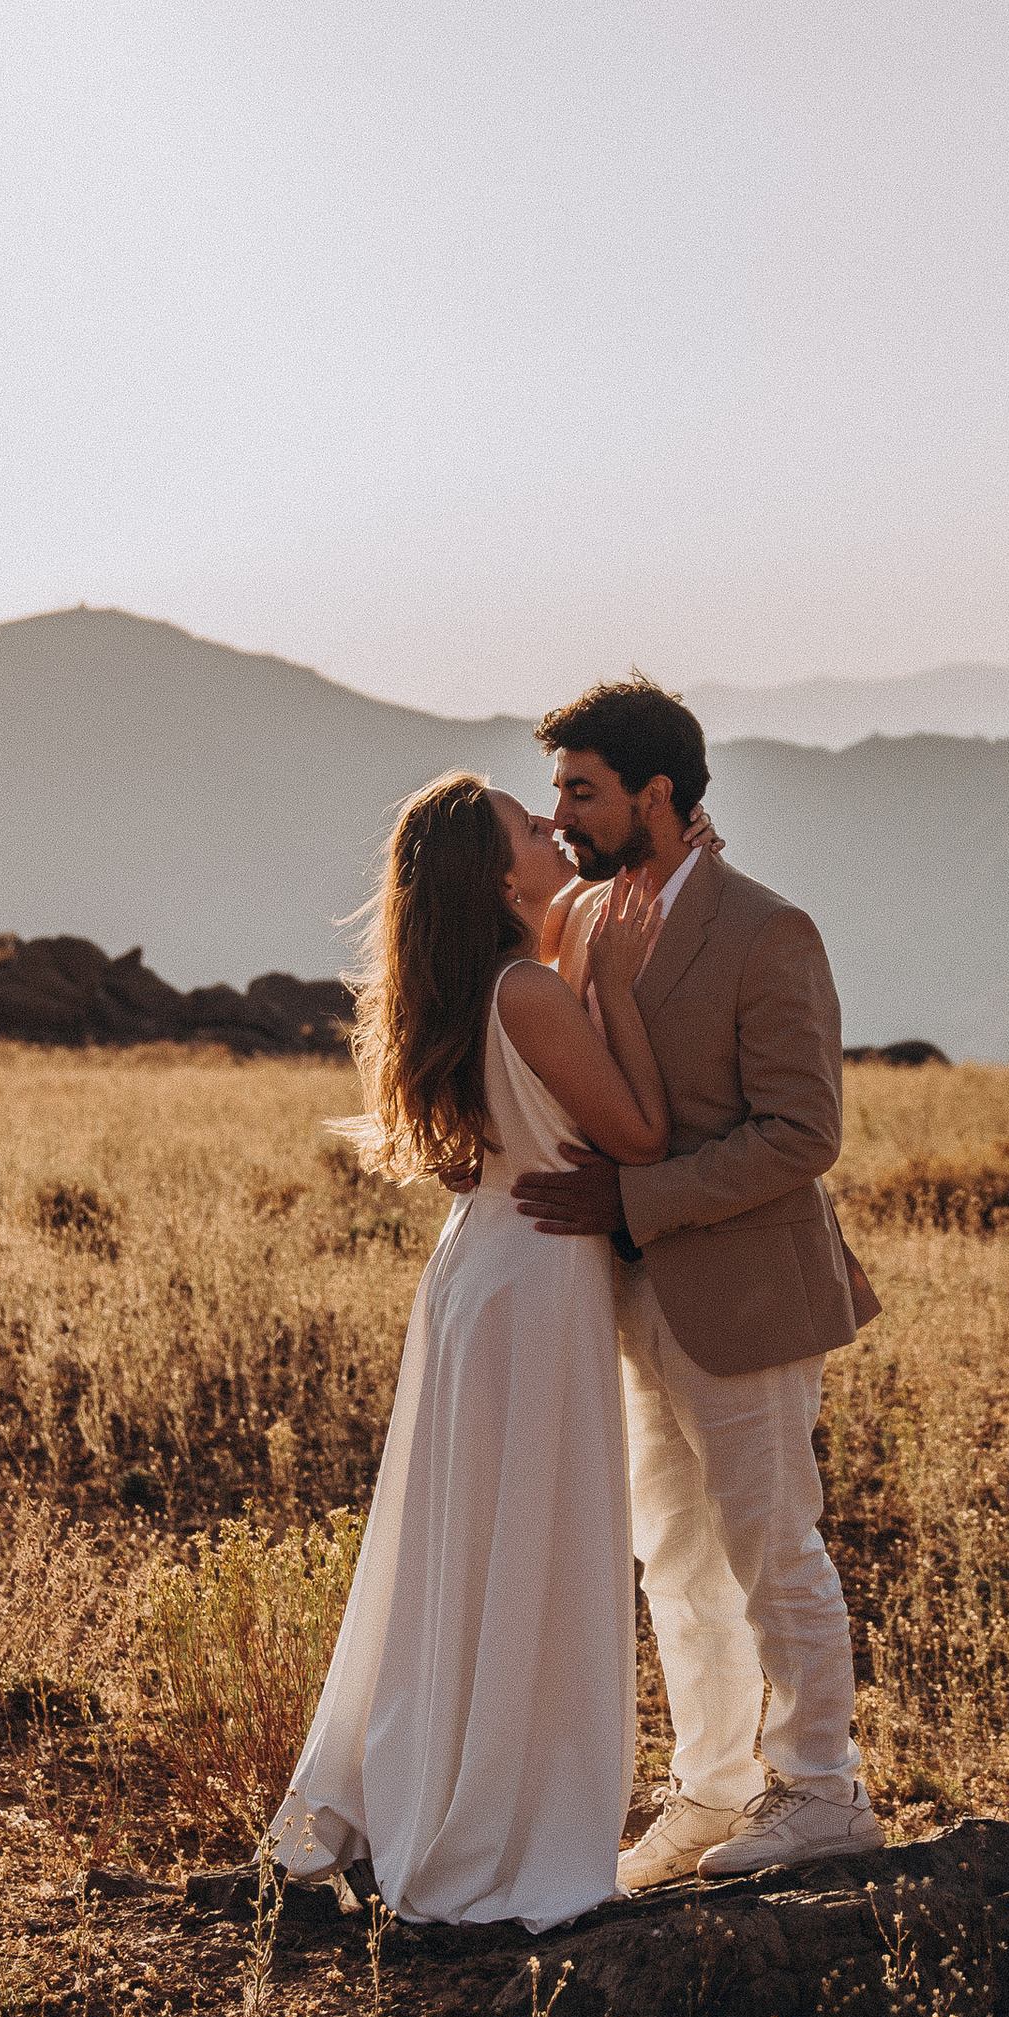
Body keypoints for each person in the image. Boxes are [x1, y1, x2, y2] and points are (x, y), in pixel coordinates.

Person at [264, 775, 672, 1929]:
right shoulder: (531, 991)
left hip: (477, 1269)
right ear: (501, 879)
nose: (552, 834)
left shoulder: (459, 990)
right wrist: (614, 985)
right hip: (537, 1279)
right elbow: (640, 1134)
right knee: (529, 1546)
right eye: (529, 830)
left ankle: (401, 1788)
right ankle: (493, 1813)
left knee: (456, 1545)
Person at [515, 675, 885, 1886]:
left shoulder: (766, 930)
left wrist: (633, 1203)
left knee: (773, 1543)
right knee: (673, 1556)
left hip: (750, 1298)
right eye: (558, 787)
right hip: (633, 1302)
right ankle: (712, 1793)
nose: (559, 809)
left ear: (655, 795)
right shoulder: (582, 914)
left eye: (582, 789)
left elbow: (802, 1134)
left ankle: (820, 1788)